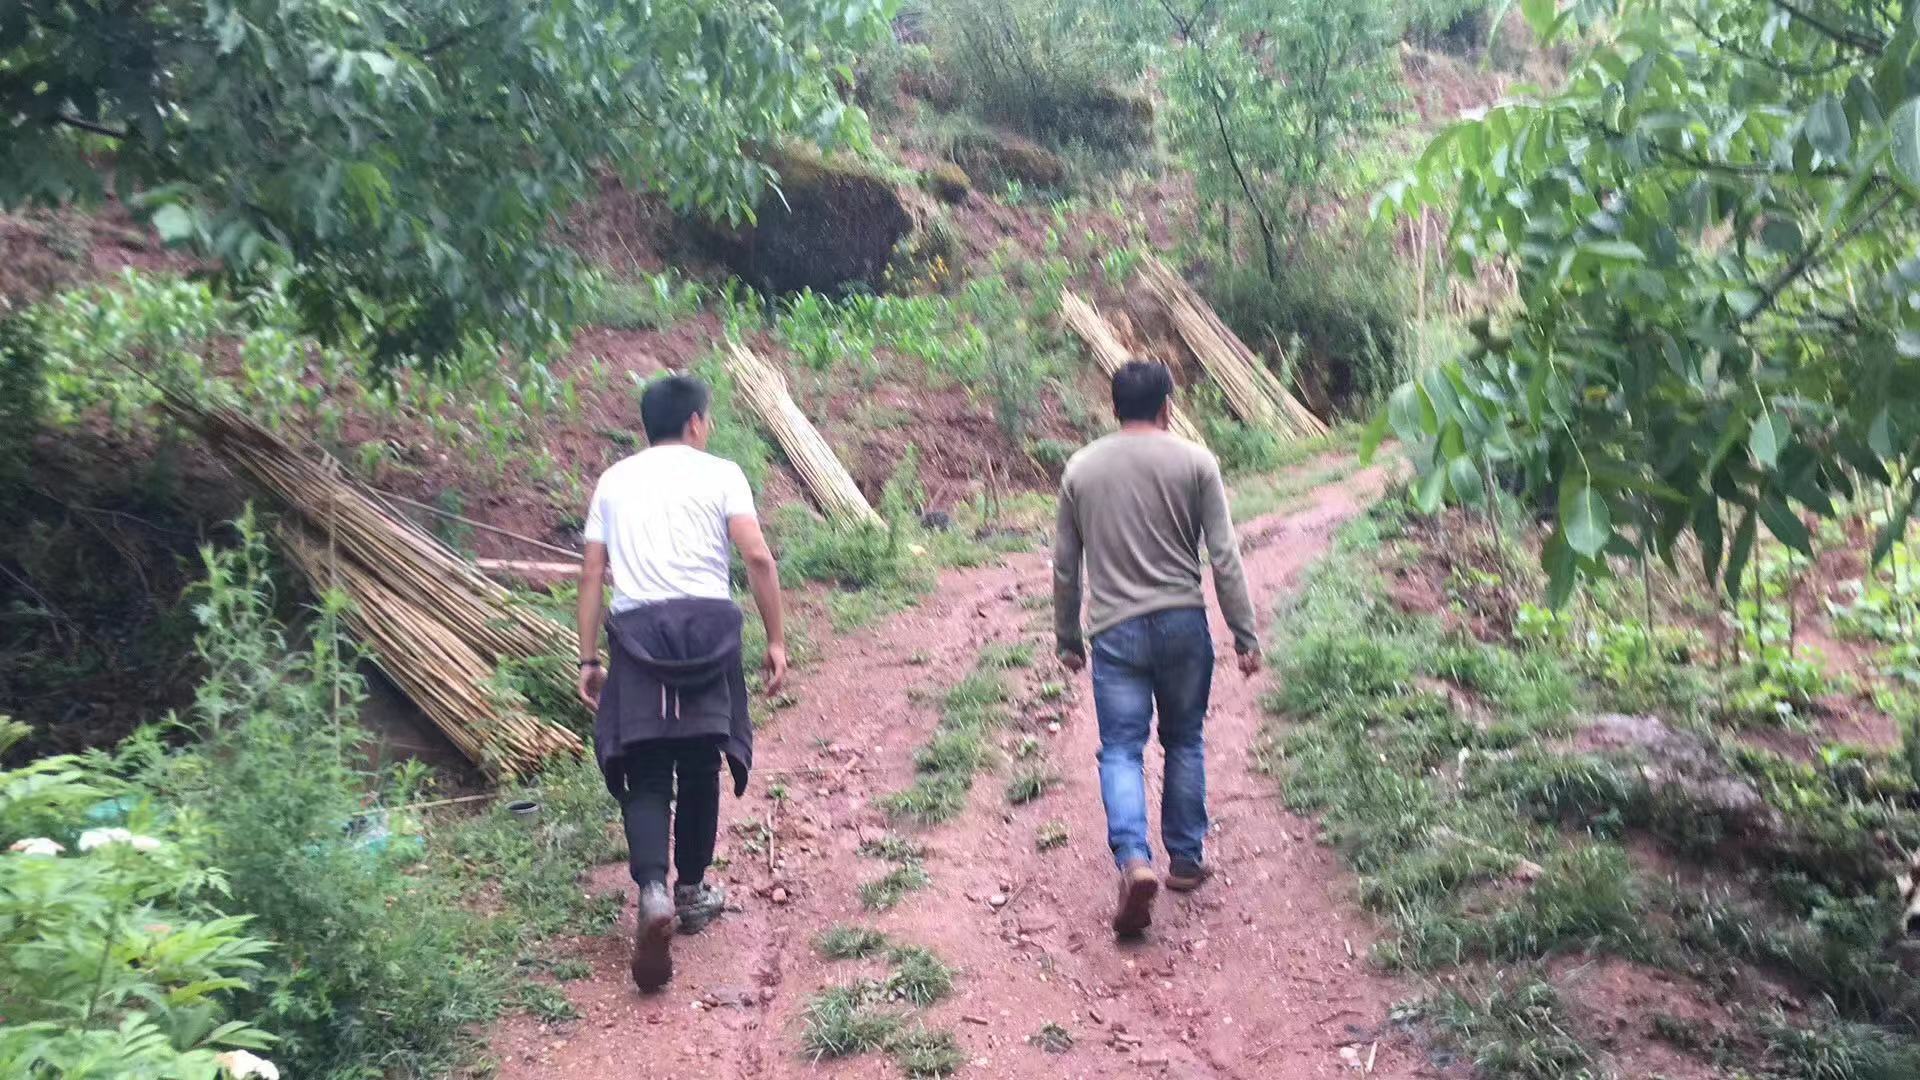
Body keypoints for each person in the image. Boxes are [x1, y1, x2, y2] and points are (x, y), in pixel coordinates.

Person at [575, 373, 788, 991]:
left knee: (646, 773)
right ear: (695, 423)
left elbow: (592, 574)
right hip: (707, 635)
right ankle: (691, 890)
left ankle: (652, 892)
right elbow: (757, 556)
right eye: (708, 419)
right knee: (699, 764)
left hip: (638, 637)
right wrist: (776, 640)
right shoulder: (721, 474)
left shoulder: (613, 481)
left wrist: (588, 659)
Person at [1052, 360, 1259, 937]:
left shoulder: (1080, 469)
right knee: (1184, 738)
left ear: (1114, 407)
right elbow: (1224, 556)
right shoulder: (1196, 462)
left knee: (1121, 749)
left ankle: (1133, 858)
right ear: (1168, 406)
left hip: (1115, 631)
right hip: (1182, 623)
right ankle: (1186, 859)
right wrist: (1244, 633)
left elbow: (1066, 566)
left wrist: (1067, 638)